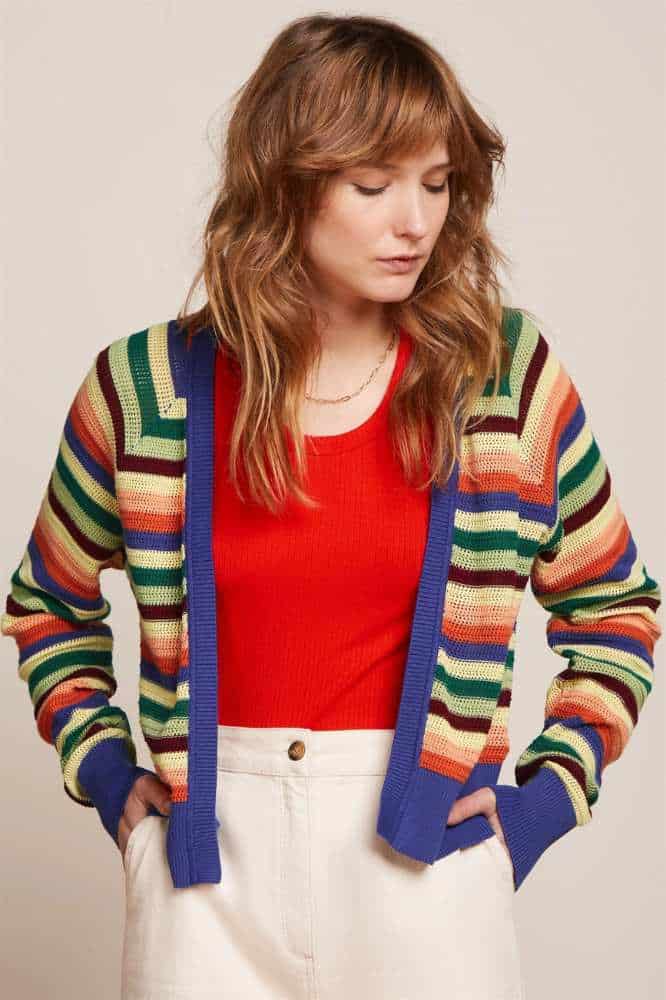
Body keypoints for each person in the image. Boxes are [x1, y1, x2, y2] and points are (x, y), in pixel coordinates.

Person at [2, 13, 661, 1000]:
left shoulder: (504, 380)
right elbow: (47, 605)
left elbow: (617, 611)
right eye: (373, 184)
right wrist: (107, 776)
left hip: (428, 878)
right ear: (284, 183)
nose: (416, 222)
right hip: (205, 889)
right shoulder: (144, 388)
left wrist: (536, 810)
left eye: (437, 183)